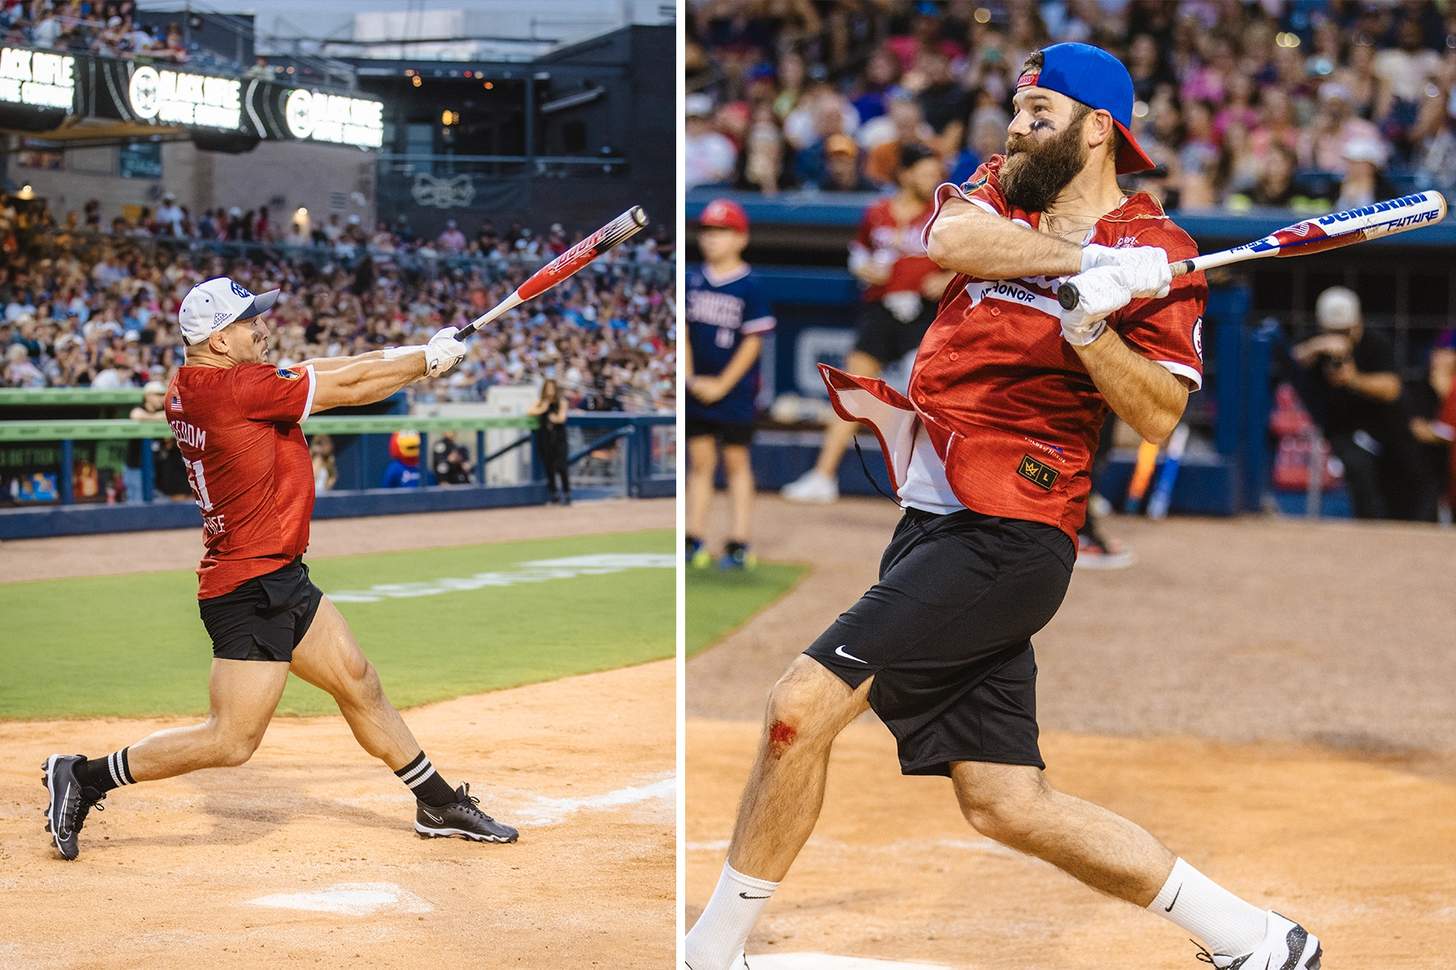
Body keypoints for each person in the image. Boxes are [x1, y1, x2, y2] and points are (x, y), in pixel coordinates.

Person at [684, 44, 1320, 970]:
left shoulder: (1168, 254)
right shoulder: (1012, 193)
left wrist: (1093, 325)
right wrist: (1091, 262)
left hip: (1011, 531)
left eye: (1040, 111)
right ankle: (1256, 939)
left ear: (1100, 128)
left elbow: (1157, 416)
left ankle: (710, 953)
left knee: (798, 707)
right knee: (1005, 803)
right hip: (935, 520)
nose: (1017, 126)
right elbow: (948, 241)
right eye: (1016, 109)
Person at [42, 275, 517, 862]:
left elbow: (317, 367)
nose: (261, 329)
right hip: (247, 585)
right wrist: (423, 364)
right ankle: (84, 776)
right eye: (247, 322)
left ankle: (437, 803)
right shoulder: (236, 390)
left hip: (279, 574)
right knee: (231, 740)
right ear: (217, 341)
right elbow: (348, 386)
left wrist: (404, 354)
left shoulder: (202, 383)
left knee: (358, 682)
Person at [782, 143, 952, 504]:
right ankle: (823, 476)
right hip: (879, 311)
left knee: (928, 403)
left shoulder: (943, 214)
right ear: (905, 175)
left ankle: (937, 487)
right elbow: (857, 254)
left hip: (923, 316)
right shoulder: (877, 212)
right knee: (854, 390)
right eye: (924, 173)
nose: (932, 180)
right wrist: (864, 269)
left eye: (934, 174)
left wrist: (948, 276)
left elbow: (969, 260)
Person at [1290, 286, 1436, 521]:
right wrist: (1317, 347)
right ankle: (1368, 529)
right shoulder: (1313, 342)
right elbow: (1291, 358)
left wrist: (1353, 379)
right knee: (1359, 468)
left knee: (1413, 468)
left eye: (1345, 331)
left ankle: (1419, 527)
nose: (1341, 336)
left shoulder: (1376, 341)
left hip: (1385, 425)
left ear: (1358, 324)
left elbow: (1392, 388)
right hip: (1342, 428)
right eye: (1333, 331)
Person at [685, 199, 775, 571]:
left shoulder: (750, 285)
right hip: (698, 387)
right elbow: (685, 333)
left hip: (735, 392)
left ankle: (739, 540)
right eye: (708, 231)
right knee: (701, 462)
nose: (712, 239)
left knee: (737, 462)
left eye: (722, 231)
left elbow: (753, 342)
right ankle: (694, 537)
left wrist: (722, 384)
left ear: (741, 238)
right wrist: (690, 378)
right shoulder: (693, 277)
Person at [122, 380, 168, 502]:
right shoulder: (139, 408)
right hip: (135, 467)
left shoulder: (164, 410)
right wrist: (156, 418)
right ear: (148, 396)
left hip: (153, 468)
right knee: (136, 503)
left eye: (163, 395)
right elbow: (135, 415)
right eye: (158, 395)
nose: (161, 398)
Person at [528, 379, 571, 504]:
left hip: (559, 438)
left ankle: (567, 493)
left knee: (562, 466)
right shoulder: (541, 402)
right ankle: (554, 494)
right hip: (545, 438)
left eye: (552, 388)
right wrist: (543, 408)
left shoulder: (561, 402)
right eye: (548, 388)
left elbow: (561, 418)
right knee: (549, 467)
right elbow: (530, 411)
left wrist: (555, 418)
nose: (550, 391)